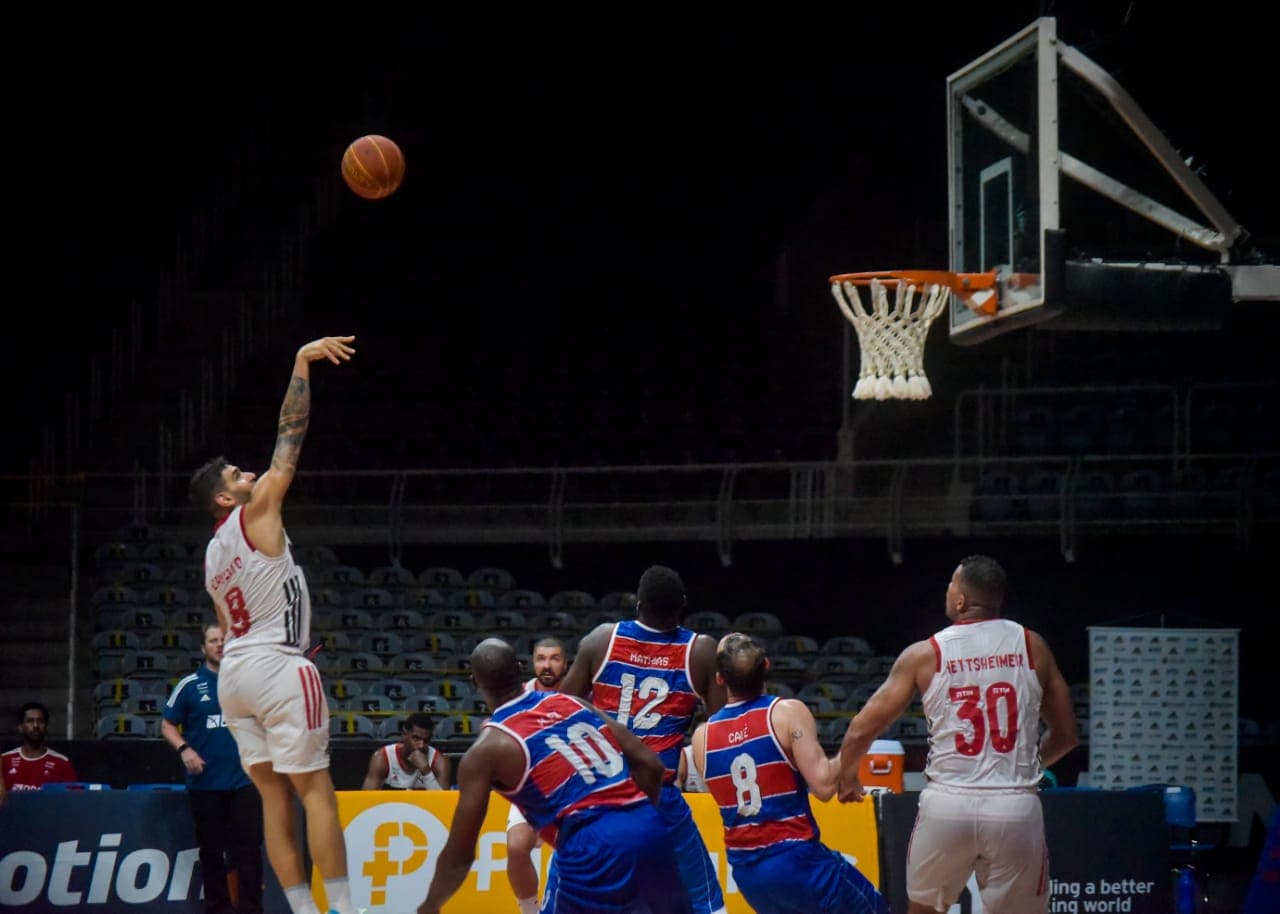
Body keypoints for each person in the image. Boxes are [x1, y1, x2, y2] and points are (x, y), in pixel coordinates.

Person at [188, 334, 358, 914]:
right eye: (237, 473)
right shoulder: (257, 508)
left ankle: (302, 910)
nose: (249, 473)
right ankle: (348, 912)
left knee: (270, 798)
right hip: (279, 665)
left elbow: (224, 627)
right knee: (317, 794)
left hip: (234, 676)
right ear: (223, 498)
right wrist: (300, 363)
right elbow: (291, 440)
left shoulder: (212, 555)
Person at [836, 555, 1079, 914]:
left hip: (948, 805)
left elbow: (862, 728)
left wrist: (847, 773)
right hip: (1013, 806)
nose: (947, 591)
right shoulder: (1032, 646)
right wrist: (1024, 765)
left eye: (951, 584)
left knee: (924, 910)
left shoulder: (926, 653)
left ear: (961, 600)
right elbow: (1068, 735)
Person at [415, 638, 690, 914]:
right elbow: (650, 765)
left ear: (474, 682)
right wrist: (636, 824)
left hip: (591, 846)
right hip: (648, 824)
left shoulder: (488, 748)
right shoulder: (573, 702)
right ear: (522, 668)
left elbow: (460, 855)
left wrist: (430, 906)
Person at [560, 564, 727, 914]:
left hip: (598, 790)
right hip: (658, 795)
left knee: (566, 893)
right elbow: (721, 726)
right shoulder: (700, 651)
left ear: (638, 603)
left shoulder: (601, 639)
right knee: (705, 902)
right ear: (682, 605)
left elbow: (561, 709)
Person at [692, 633, 887, 914]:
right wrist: (856, 742)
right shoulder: (785, 713)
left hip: (748, 876)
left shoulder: (702, 738)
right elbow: (823, 786)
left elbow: (722, 794)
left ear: (720, 679)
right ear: (767, 665)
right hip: (797, 861)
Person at [162, 624, 265, 914]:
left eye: (224, 640)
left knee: (248, 851)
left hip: (246, 781)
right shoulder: (190, 685)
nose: (219, 644)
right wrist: (184, 749)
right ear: (203, 648)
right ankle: (218, 908)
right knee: (211, 852)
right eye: (213, 640)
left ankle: (251, 909)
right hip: (205, 783)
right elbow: (167, 724)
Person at [504, 637, 569, 914]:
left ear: (565, 663)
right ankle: (530, 911)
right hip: (532, 785)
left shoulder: (579, 694)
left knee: (572, 856)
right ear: (532, 662)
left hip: (572, 787)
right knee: (516, 847)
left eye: (554, 658)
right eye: (541, 658)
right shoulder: (518, 696)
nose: (547, 665)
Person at [361, 712, 452, 790]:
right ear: (404, 735)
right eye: (416, 738)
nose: (421, 745)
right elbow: (366, 799)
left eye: (426, 740)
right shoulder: (383, 757)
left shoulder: (439, 761)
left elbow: (443, 804)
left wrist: (426, 771)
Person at [2, 702, 78, 791]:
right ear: (20, 727)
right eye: (30, 721)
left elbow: (73, 800)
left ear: (46, 727)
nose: (35, 725)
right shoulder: (4, 760)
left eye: (40, 721)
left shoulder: (61, 763)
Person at [675, 709, 708, 793]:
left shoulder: (722, 754)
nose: (704, 740)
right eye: (701, 736)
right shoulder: (685, 756)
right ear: (693, 738)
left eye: (708, 735)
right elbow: (676, 788)